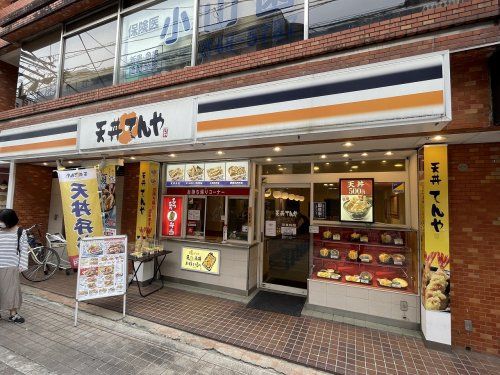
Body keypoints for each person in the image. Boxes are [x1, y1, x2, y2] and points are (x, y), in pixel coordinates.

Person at [0, 209, 28, 323]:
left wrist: (22, 265)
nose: (1, 223)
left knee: (11, 291)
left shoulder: (20, 232)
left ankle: (13, 314)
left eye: (3, 221)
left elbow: (24, 250)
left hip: (11, 266)